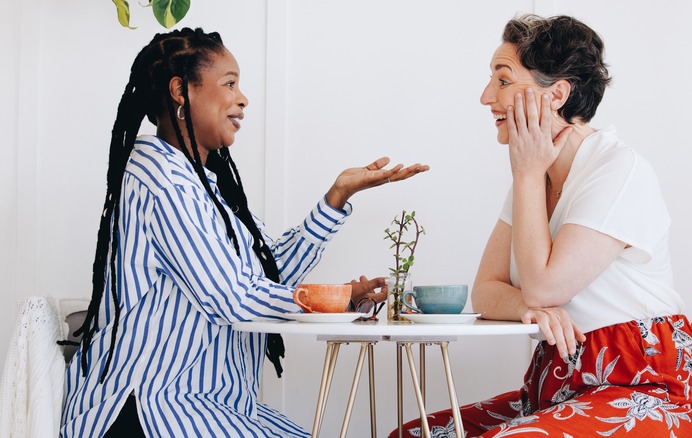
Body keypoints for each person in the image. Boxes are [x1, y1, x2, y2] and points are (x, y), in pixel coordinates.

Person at [61, 28, 428, 437]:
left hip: (213, 404)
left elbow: (266, 276)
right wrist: (338, 298)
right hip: (153, 409)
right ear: (181, 90)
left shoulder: (203, 187)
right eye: (230, 83)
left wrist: (336, 197)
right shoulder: (163, 183)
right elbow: (234, 298)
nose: (242, 98)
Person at [394, 14, 692, 437]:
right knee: (415, 435)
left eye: (504, 80)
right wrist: (526, 307)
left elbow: (546, 286)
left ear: (557, 94)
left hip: (647, 390)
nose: (486, 96)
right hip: (559, 390)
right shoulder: (535, 176)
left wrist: (526, 175)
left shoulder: (618, 170)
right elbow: (486, 290)